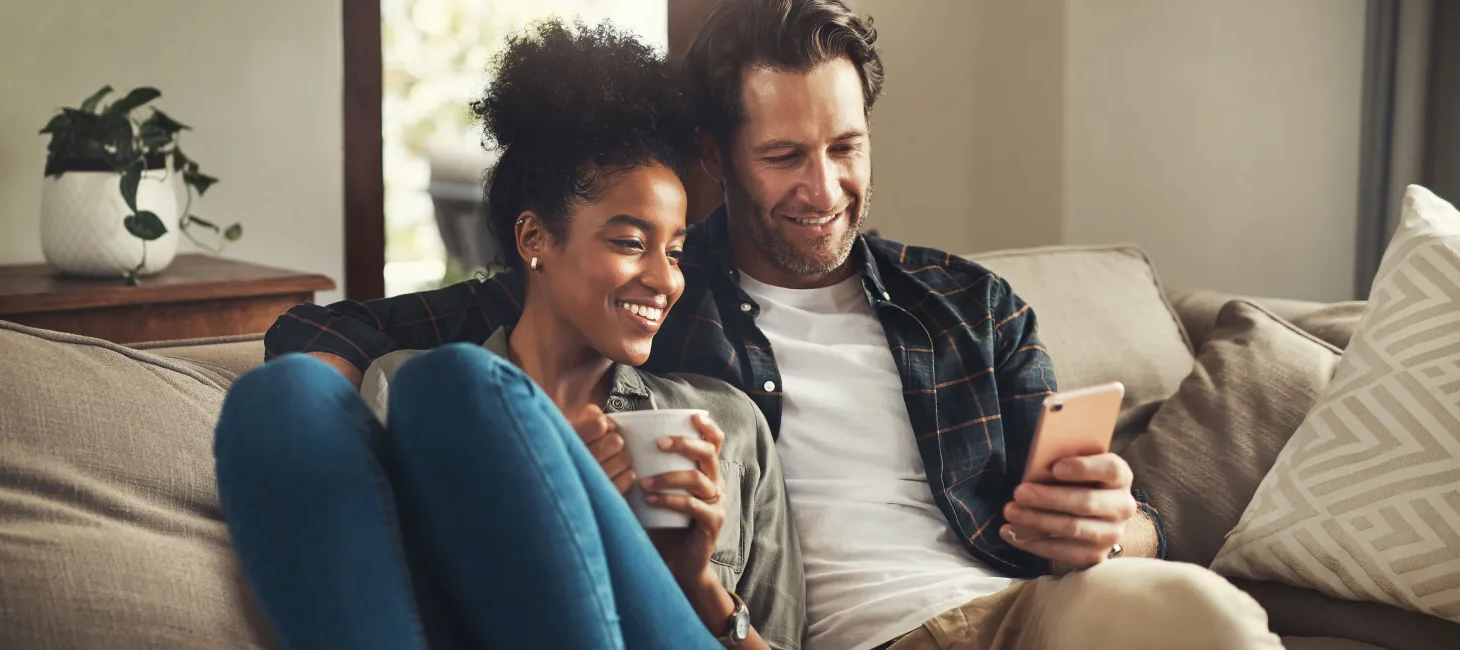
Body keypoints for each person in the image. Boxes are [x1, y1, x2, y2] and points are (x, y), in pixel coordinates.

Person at [266, 1, 1284, 649]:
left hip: (1033, 614)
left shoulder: (965, 304)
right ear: (717, 155)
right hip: (856, 634)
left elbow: (1102, 499)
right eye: (785, 155)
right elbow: (332, 340)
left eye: (845, 147)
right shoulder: (645, 284)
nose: (825, 187)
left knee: (1209, 615)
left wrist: (1122, 520)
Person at [218, 20, 803, 650]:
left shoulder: (727, 425)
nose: (666, 280)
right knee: (277, 399)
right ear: (534, 239)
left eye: (678, 252)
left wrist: (695, 584)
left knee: (455, 383)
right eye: (632, 243)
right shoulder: (402, 389)